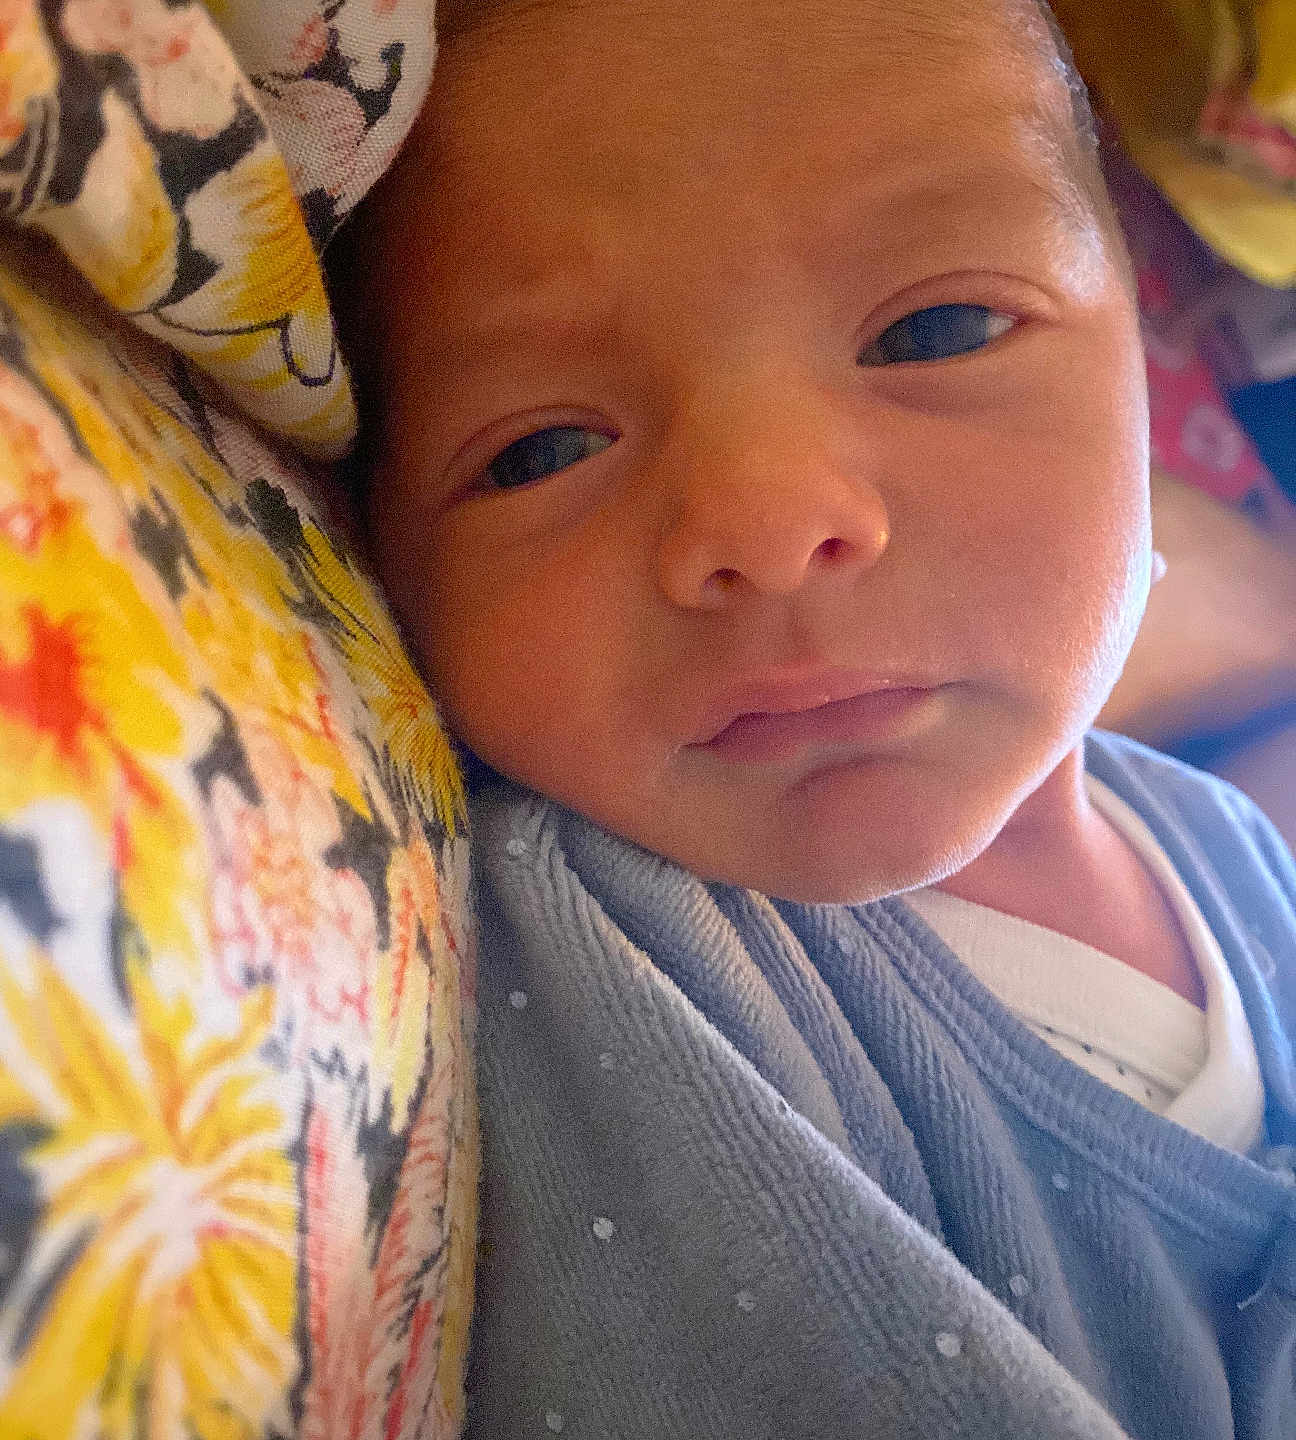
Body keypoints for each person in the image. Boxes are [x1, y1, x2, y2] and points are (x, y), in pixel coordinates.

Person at [331, 0, 1296, 1434]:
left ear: (1138, 365)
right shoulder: (615, 941)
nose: (769, 521)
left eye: (939, 328)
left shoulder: (1226, 845)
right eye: (541, 448)